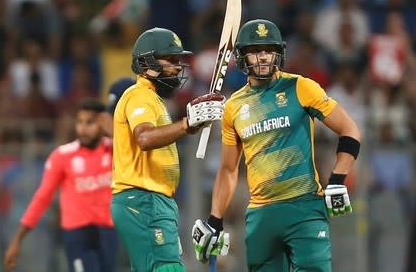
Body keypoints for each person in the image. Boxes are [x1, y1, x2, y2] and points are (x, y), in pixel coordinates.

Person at [191, 19, 362, 271]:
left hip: (305, 208)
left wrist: (336, 179)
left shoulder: (300, 87)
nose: (263, 57)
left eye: (269, 50)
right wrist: (215, 219)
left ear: (278, 53)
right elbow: (228, 170)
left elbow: (350, 130)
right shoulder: (234, 107)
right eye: (255, 51)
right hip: (261, 216)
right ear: (242, 56)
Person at [110, 27, 225, 272]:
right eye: (171, 60)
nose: (177, 67)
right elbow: (145, 138)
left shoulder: (153, 99)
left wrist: (191, 125)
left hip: (151, 200)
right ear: (147, 63)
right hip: (144, 198)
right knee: (167, 268)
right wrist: (187, 124)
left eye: (178, 61)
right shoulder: (139, 96)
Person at [4, 98, 118, 272]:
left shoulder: (116, 150)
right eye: (79, 122)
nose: (83, 128)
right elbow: (42, 197)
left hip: (109, 231)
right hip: (78, 234)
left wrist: (114, 132)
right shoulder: (63, 155)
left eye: (90, 122)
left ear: (103, 123)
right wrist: (18, 239)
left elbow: (139, 155)